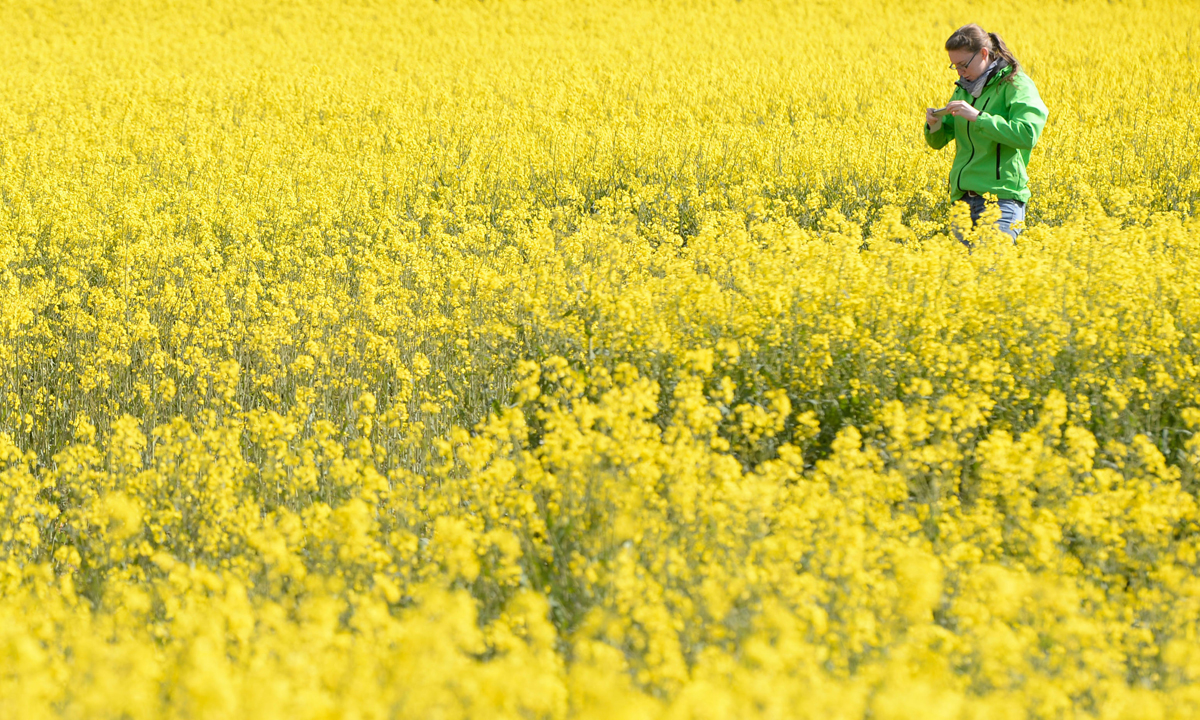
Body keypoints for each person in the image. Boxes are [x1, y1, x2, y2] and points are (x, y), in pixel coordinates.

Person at [924, 24, 1048, 243]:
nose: (960, 72)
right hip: (962, 202)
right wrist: (935, 124)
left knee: (990, 272)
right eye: (955, 66)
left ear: (983, 54)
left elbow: (1027, 134)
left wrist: (978, 117)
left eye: (963, 65)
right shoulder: (965, 88)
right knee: (964, 276)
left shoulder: (1015, 85)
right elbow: (939, 141)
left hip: (1001, 200)